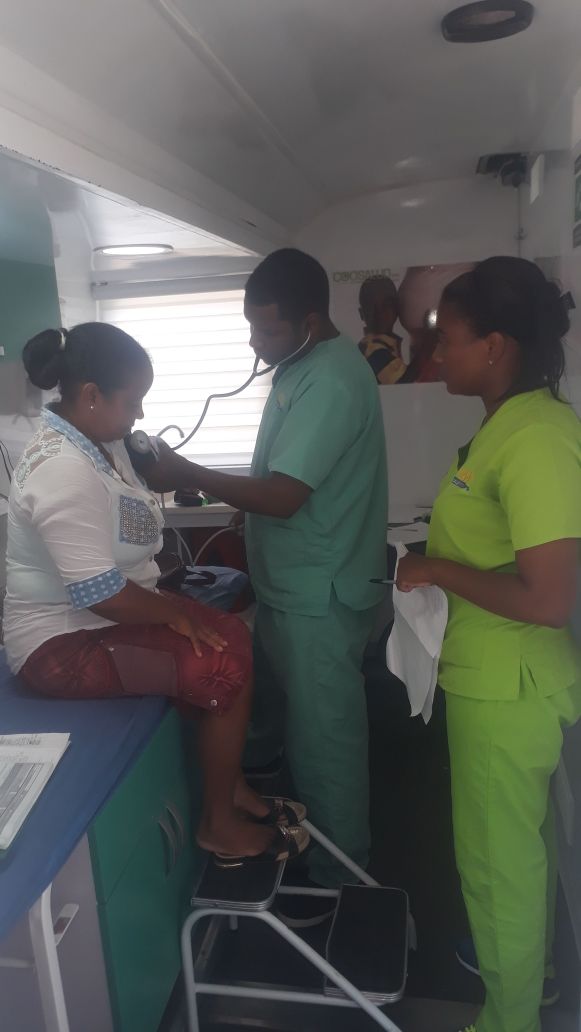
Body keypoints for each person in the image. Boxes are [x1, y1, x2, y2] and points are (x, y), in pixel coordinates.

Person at [4, 323, 308, 868]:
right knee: (221, 662)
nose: (140, 415)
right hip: (59, 644)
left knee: (232, 633)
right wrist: (173, 615)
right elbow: (98, 591)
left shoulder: (100, 445)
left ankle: (230, 786)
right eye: (132, 402)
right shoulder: (61, 469)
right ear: (91, 395)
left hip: (101, 619)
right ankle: (217, 825)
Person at [147, 249, 388, 905]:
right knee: (294, 735)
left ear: (310, 322)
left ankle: (344, 885)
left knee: (326, 745)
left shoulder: (331, 379)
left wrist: (184, 472)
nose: (256, 342)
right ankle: (301, 840)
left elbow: (284, 495)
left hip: (320, 592)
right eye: (250, 327)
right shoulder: (297, 369)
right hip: (292, 588)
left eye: (267, 329)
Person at [396, 257, 581, 1032]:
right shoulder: (506, 426)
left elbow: (548, 599)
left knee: (497, 869)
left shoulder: (535, 439)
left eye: (449, 339)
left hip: (509, 691)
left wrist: (435, 568)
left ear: (496, 345)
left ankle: (506, 1022)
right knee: (515, 857)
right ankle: (527, 985)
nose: (437, 354)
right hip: (494, 680)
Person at [358, 275, 408, 384]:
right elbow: (405, 381)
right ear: (362, 313)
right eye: (371, 307)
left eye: (386, 305)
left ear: (396, 308)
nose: (379, 313)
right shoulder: (370, 349)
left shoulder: (386, 343)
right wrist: (427, 347)